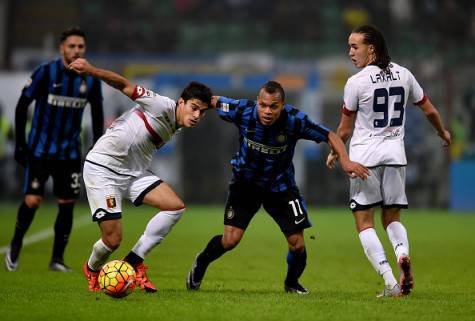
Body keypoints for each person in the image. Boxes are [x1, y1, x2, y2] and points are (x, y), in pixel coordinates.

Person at [186, 80, 369, 294]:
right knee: (230, 240)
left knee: (297, 244)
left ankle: (291, 283)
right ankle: (202, 262)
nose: (267, 111)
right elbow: (213, 101)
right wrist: (187, 112)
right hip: (245, 185)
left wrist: (345, 161)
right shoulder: (242, 110)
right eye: (263, 105)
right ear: (257, 102)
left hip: (281, 187)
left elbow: (330, 135)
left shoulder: (294, 120)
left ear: (282, 105)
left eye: (273, 106)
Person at [326, 25, 451, 297]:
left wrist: (336, 150)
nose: (350, 52)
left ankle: (390, 282)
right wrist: (442, 132)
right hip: (396, 156)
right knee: (392, 217)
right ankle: (402, 254)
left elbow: (345, 130)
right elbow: (428, 108)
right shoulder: (404, 74)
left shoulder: (356, 82)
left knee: (364, 221)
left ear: (372, 48)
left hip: (364, 160)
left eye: (354, 46)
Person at [68, 58, 212, 293]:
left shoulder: (177, 123)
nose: (197, 115)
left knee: (175, 207)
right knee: (113, 240)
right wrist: (90, 69)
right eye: (194, 108)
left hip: (132, 173)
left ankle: (133, 262)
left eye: (202, 112)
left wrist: (213, 102)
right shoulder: (161, 105)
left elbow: (205, 104)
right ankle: (92, 269)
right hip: (103, 168)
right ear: (181, 102)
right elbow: (123, 84)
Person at [5, 27, 104, 272]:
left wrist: (97, 144)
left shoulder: (90, 78)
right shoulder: (46, 72)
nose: (76, 50)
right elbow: (21, 106)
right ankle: (16, 244)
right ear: (62, 48)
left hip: (69, 152)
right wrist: (20, 144)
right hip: (40, 150)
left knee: (67, 202)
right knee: (33, 200)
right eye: (72, 46)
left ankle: (57, 259)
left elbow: (97, 111)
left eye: (80, 46)